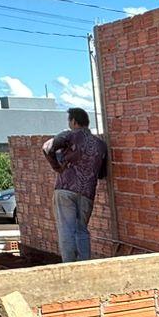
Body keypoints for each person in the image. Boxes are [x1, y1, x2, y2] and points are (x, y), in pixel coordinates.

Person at [42, 108, 108, 263]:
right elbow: (102, 173)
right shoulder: (100, 144)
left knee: (67, 230)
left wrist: (57, 167)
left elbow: (47, 147)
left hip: (65, 189)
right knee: (81, 231)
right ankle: (84, 266)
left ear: (73, 121)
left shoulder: (69, 135)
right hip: (87, 192)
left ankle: (69, 267)